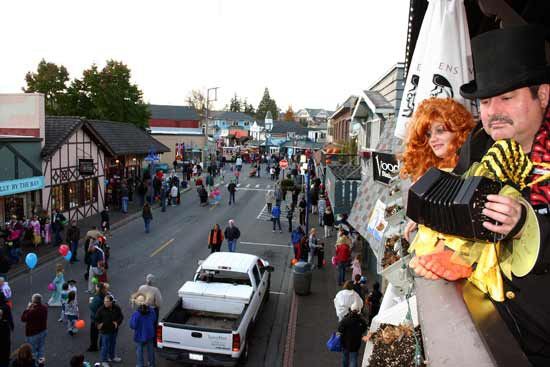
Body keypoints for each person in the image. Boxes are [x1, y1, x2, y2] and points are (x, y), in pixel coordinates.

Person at [410, 26, 550, 366]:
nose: (492, 111)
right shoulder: (480, 144)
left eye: (507, 98)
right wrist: (430, 225)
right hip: (489, 317)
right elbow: (455, 198)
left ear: (542, 95)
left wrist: (524, 225)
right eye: (485, 102)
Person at [400, 97, 476, 241]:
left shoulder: (476, 169)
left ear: (459, 132)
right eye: (428, 134)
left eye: (440, 131)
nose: (432, 139)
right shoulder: (433, 171)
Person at [337, 301, 368, 367]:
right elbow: (364, 329)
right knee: (353, 359)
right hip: (356, 344)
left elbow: (340, 329)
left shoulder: (345, 319)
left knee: (345, 358)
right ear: (358, 311)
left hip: (345, 343)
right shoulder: (361, 321)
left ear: (350, 309)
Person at [95, 295, 123, 366]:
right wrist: (98, 324)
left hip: (114, 330)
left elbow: (121, 316)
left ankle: (112, 357)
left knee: (113, 344)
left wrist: (117, 322)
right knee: (105, 346)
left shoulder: (117, 308)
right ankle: (104, 361)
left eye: (107, 301)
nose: (105, 303)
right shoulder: (100, 310)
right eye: (104, 301)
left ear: (111, 302)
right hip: (105, 331)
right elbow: (96, 319)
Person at [21, 294, 48, 361]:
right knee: (41, 347)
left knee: (32, 351)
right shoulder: (44, 308)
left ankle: (34, 363)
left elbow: (23, 318)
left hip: (33, 334)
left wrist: (28, 308)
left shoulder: (32, 312)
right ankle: (41, 361)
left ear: (33, 302)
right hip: (43, 330)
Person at [87, 283, 107, 352]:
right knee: (102, 333)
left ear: (98, 288)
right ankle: (102, 346)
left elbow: (92, 307)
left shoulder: (98, 297)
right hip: (102, 318)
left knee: (94, 333)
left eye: (96, 287)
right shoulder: (104, 295)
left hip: (95, 318)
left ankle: (93, 346)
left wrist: (91, 303)